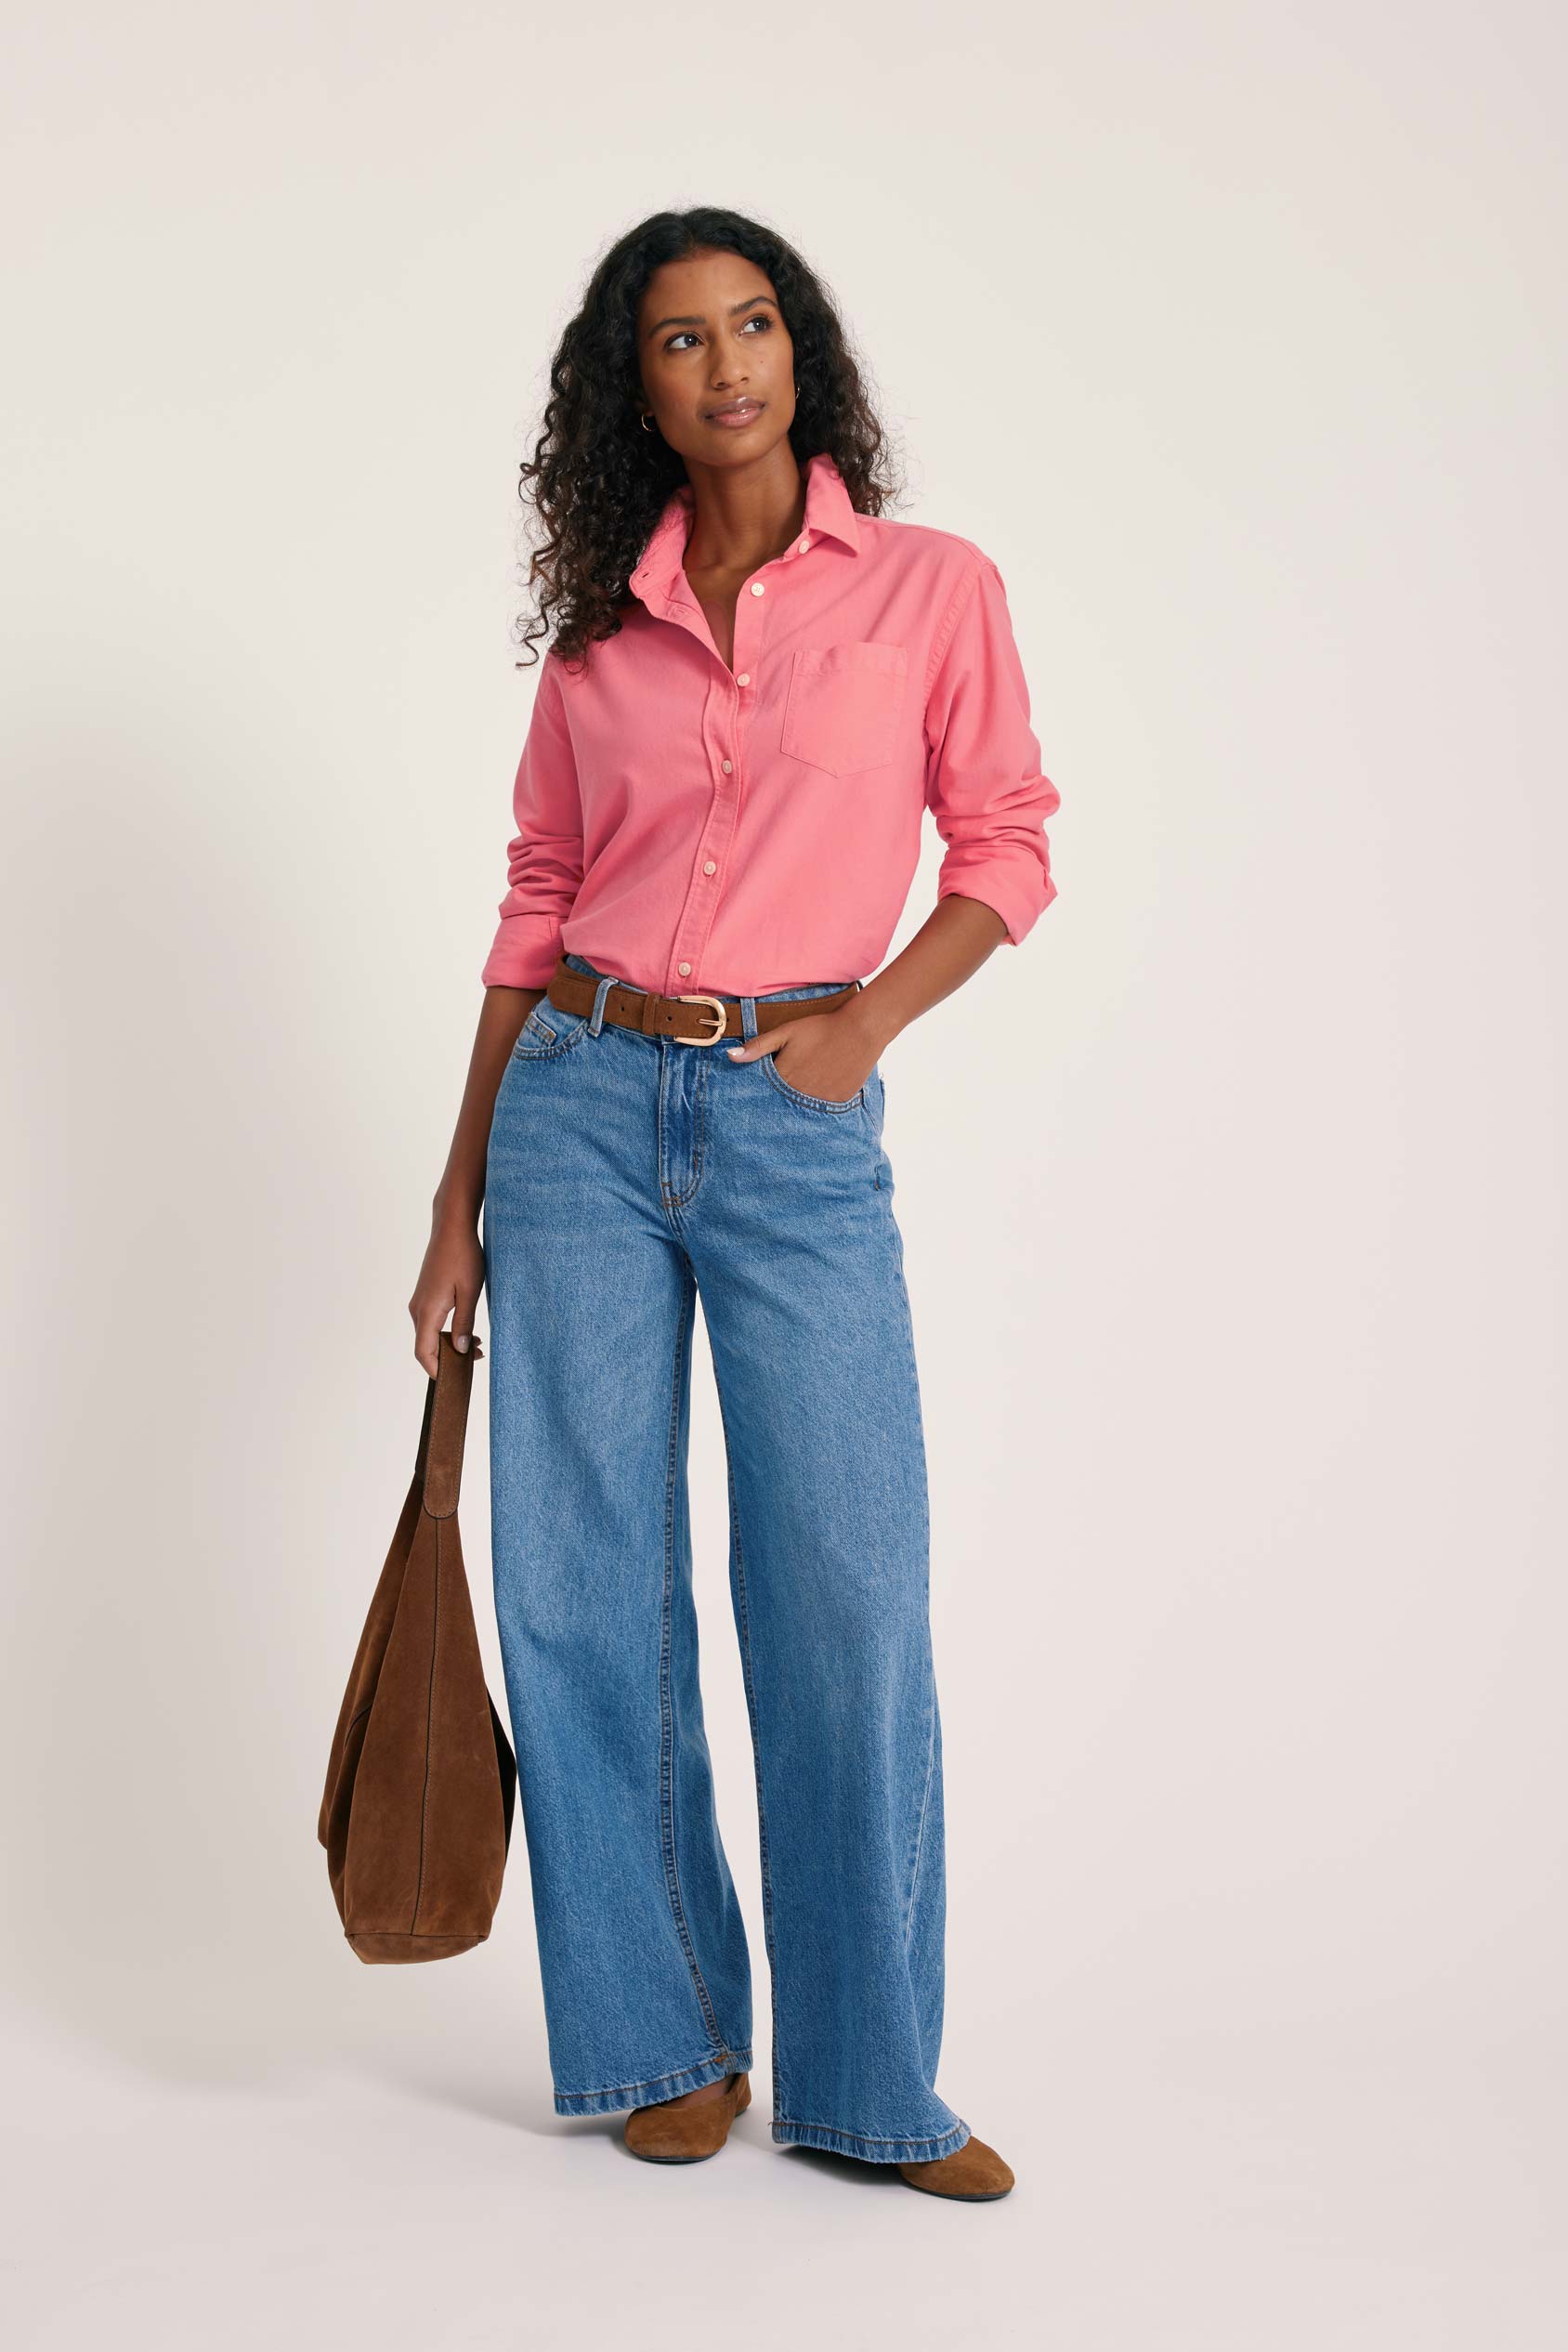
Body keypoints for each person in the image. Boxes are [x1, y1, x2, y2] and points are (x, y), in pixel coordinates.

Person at [410, 208, 1059, 2202]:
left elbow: (1010, 844)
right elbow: (533, 904)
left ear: (804, 350)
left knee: (845, 1593)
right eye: (681, 339)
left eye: (754, 322)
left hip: (794, 1119)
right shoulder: (600, 640)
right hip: (579, 1113)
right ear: (638, 386)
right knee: (583, 1596)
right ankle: (659, 2036)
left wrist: (862, 1024)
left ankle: (870, 2083)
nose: (727, 364)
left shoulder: (931, 591)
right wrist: (456, 1204)